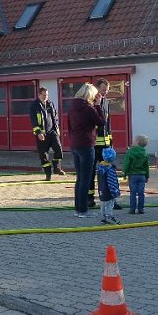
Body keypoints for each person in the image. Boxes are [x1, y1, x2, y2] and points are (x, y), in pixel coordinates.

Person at [66, 83, 105, 218]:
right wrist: (98, 105)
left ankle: (78, 209)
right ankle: (83, 210)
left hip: (75, 145)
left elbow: (69, 127)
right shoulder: (88, 108)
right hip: (87, 144)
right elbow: (101, 122)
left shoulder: (71, 108)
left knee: (79, 178)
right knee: (86, 179)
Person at [90, 78, 120, 209]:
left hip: (106, 145)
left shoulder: (105, 102)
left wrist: (111, 141)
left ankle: (111, 200)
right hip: (93, 145)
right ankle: (89, 199)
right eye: (103, 90)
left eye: (106, 91)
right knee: (91, 173)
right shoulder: (90, 103)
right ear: (96, 89)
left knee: (109, 172)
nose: (105, 93)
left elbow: (107, 124)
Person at [29, 87, 65, 180]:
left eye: (47, 95)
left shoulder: (50, 104)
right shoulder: (34, 105)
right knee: (44, 155)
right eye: (44, 95)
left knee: (58, 149)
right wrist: (38, 132)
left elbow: (55, 117)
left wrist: (57, 129)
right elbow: (33, 121)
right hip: (41, 134)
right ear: (39, 95)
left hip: (52, 132)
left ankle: (56, 168)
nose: (46, 97)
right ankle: (48, 174)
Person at [123, 134, 150, 214]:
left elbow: (126, 163)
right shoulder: (144, 153)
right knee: (141, 193)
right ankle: (141, 209)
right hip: (142, 175)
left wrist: (124, 173)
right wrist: (147, 176)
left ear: (137, 142)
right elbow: (146, 166)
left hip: (132, 175)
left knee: (133, 192)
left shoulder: (130, 152)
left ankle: (132, 208)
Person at [96, 148, 121, 225]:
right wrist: (115, 192)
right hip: (108, 191)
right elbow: (112, 182)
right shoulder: (110, 169)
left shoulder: (100, 167)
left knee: (103, 204)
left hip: (101, 190)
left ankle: (103, 218)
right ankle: (109, 217)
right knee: (109, 205)